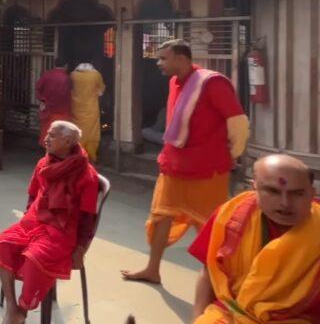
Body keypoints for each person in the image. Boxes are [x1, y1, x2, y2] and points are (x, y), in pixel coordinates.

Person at [122, 39, 248, 285]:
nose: (158, 63)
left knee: (210, 227)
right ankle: (152, 269)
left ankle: (220, 280)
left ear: (181, 58)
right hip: (174, 165)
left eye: (163, 58)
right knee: (161, 218)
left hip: (206, 169)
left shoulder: (213, 82)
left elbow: (238, 122)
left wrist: (233, 153)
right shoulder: (174, 82)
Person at [188, 154, 319, 323]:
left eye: (297, 193)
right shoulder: (231, 216)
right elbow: (209, 272)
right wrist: (197, 317)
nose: (285, 203)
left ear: (311, 193)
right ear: (254, 188)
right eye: (273, 191)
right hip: (230, 314)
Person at [0, 121, 100, 324]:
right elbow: (33, 195)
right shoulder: (44, 163)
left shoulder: (86, 175)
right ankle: (11, 306)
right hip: (34, 222)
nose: (45, 139)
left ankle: (23, 310)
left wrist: (81, 248)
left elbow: (88, 218)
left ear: (67, 141)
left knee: (35, 259)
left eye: (51, 136)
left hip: (61, 231)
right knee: (4, 242)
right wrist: (27, 218)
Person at [70, 62, 105, 161]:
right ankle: (90, 155)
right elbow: (101, 90)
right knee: (92, 133)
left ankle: (77, 154)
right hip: (91, 108)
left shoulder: (73, 75)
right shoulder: (95, 75)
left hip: (76, 108)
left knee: (77, 132)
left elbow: (70, 89)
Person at [35, 59, 71, 145]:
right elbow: (69, 94)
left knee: (47, 129)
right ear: (65, 65)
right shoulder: (66, 78)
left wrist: (42, 100)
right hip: (62, 110)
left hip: (48, 108)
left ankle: (46, 145)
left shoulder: (47, 75)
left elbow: (38, 88)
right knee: (60, 130)